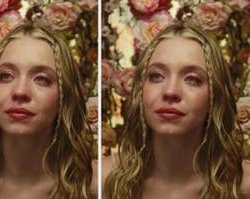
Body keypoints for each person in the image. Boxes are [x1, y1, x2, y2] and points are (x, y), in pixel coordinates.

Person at [103, 22, 250, 199]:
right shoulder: (102, 182)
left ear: (215, 95)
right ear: (140, 90)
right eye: (156, 76)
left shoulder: (243, 186)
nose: (170, 91)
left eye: (192, 79)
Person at [0, 22, 95, 198]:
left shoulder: (92, 187)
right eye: (6, 76)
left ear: (64, 96)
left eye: (41, 79)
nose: (20, 91)